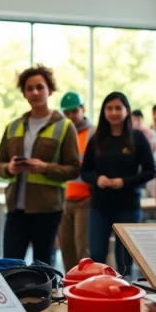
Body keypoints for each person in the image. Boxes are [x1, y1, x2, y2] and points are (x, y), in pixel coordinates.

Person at [0, 65, 80, 265]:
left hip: (47, 209)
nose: (35, 92)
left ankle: (44, 298)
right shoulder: (13, 126)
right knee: (10, 264)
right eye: (29, 88)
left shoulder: (65, 126)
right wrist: (9, 168)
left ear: (49, 90)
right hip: (16, 207)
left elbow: (74, 168)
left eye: (40, 87)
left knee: (43, 266)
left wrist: (44, 167)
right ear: (24, 93)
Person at [81, 92, 156, 277]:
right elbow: (85, 171)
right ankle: (98, 294)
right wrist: (97, 179)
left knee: (124, 260)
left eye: (118, 108)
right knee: (97, 256)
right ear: (104, 112)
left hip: (128, 205)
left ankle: (124, 295)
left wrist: (124, 182)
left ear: (127, 111)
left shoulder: (138, 138)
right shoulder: (97, 138)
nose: (113, 112)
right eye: (109, 108)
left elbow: (150, 171)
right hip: (99, 206)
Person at [58, 91, 96, 271]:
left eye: (74, 111)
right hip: (65, 201)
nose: (71, 116)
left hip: (85, 201)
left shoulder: (94, 133)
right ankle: (70, 291)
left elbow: (100, 167)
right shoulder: (63, 134)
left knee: (83, 251)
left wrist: (93, 195)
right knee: (66, 249)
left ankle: (86, 290)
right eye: (67, 113)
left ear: (82, 109)